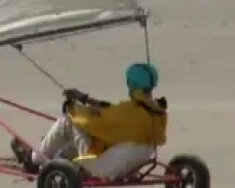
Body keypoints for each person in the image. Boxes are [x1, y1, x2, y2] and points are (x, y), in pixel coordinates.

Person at [10, 63, 168, 181]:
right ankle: (54, 154)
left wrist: (73, 108)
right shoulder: (155, 110)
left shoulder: (129, 111)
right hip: (129, 163)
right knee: (88, 135)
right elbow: (109, 109)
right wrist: (84, 99)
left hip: (104, 168)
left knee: (68, 122)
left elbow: (98, 118)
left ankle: (33, 160)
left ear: (132, 83)